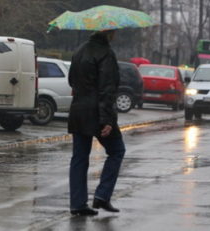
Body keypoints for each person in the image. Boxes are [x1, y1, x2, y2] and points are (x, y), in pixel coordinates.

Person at [68, 30, 126, 216]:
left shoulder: (79, 50)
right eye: (114, 31)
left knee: (79, 158)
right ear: (108, 33)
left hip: (78, 111)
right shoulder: (106, 53)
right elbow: (107, 89)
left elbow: (71, 80)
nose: (116, 34)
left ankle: (78, 204)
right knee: (117, 151)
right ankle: (102, 195)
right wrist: (107, 120)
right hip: (97, 113)